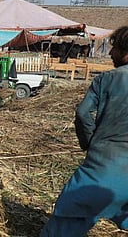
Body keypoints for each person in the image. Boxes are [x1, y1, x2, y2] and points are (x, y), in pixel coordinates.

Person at [41, 25, 128, 236]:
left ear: (125, 52)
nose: (109, 52)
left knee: (69, 215)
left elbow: (83, 114)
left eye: (114, 47)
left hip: (105, 167)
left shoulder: (108, 79)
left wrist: (90, 142)